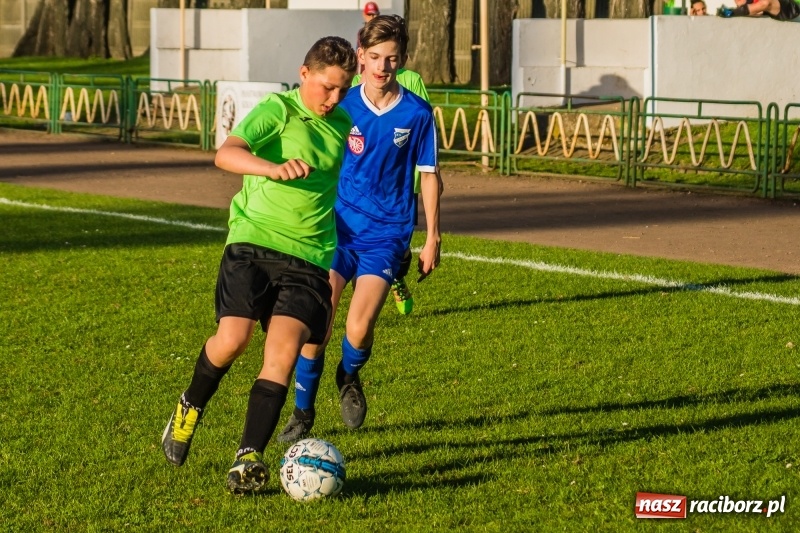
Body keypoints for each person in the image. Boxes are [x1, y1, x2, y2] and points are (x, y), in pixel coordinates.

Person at [160, 36, 358, 495]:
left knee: (283, 355)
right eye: (327, 87)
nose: (333, 99)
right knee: (232, 341)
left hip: (308, 257)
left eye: (343, 89)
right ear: (304, 73)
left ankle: (247, 458)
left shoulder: (344, 123)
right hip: (253, 242)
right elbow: (225, 153)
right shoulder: (279, 109)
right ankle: (189, 407)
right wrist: (271, 169)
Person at [278, 14, 442, 443]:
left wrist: (433, 237)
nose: (383, 67)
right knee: (319, 322)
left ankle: (348, 375)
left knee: (358, 328)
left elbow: (428, 174)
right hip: (337, 230)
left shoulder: (417, 112)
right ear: (360, 58)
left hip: (387, 234)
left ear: (402, 60)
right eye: (374, 58)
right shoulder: (343, 105)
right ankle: (302, 412)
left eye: (392, 59)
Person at [352, 62, 432, 315]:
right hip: (360, 187)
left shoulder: (412, 81)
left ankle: (396, 276)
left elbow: (423, 129)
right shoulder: (354, 84)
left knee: (400, 246)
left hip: (399, 186)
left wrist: (429, 175)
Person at [718, 0, 800, 19]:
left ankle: (731, 12)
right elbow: (739, 2)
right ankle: (731, 12)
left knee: (766, 2)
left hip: (792, 8)